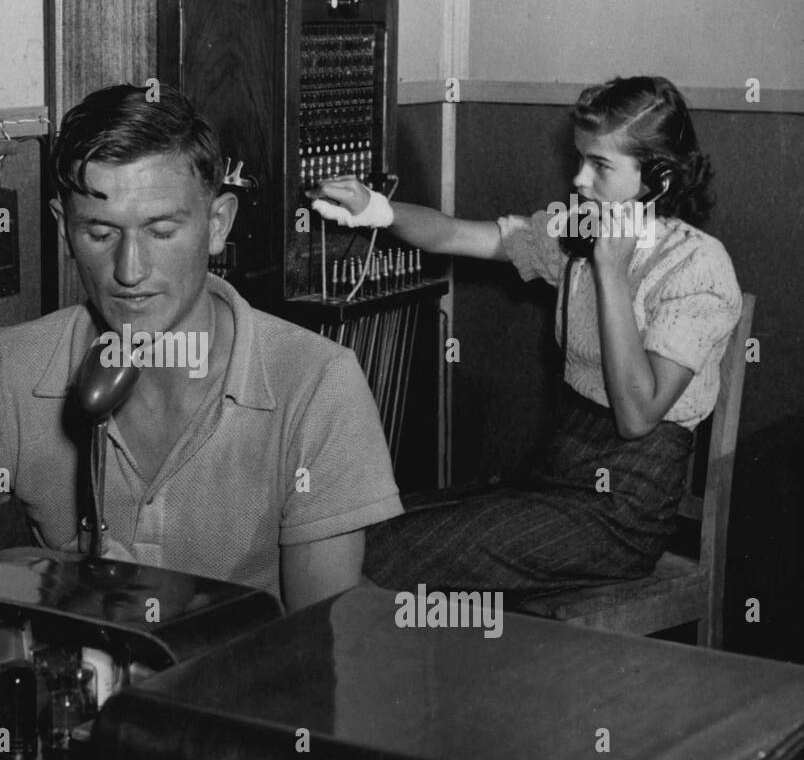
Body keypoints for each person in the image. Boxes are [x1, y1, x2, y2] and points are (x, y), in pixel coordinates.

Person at [0, 83, 403, 611]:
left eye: (162, 231)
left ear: (218, 224)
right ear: (64, 229)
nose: (130, 271)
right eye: (100, 233)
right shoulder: (5, 373)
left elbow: (315, 641)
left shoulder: (316, 385)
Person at [310, 75, 742, 599]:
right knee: (343, 529)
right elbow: (460, 234)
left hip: (620, 512)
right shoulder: (577, 235)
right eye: (580, 159)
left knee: (380, 556)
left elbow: (637, 416)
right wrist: (375, 209)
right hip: (551, 476)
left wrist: (610, 270)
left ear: (661, 178)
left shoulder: (697, 266)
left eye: (600, 165)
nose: (580, 180)